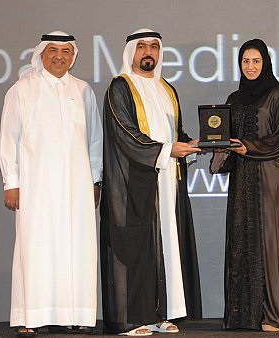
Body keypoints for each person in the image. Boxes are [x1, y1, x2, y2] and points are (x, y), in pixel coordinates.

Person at [0, 31, 103, 338]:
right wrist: (11, 182)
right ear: (42, 53)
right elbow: (9, 138)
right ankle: (30, 314)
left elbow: (94, 138)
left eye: (66, 51)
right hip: (36, 185)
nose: (60, 56)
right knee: (36, 248)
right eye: (53, 50)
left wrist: (96, 179)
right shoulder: (22, 89)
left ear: (74, 56)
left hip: (77, 186)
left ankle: (74, 314)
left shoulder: (83, 90)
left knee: (76, 247)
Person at [100, 29, 202, 336]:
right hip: (133, 184)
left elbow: (175, 133)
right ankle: (130, 320)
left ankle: (160, 313)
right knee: (135, 249)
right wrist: (168, 150)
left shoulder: (166, 89)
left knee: (165, 247)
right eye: (142, 46)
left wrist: (193, 144)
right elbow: (125, 133)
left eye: (154, 47)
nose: (149, 51)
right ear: (131, 51)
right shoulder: (120, 87)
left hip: (168, 181)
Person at [210, 38, 279, 332]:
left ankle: (272, 315)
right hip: (242, 180)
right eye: (245, 62)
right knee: (241, 240)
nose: (250, 67)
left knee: (270, 244)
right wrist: (218, 149)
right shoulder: (233, 99)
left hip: (269, 178)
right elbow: (224, 135)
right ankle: (242, 315)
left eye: (256, 61)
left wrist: (246, 147)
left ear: (265, 63)